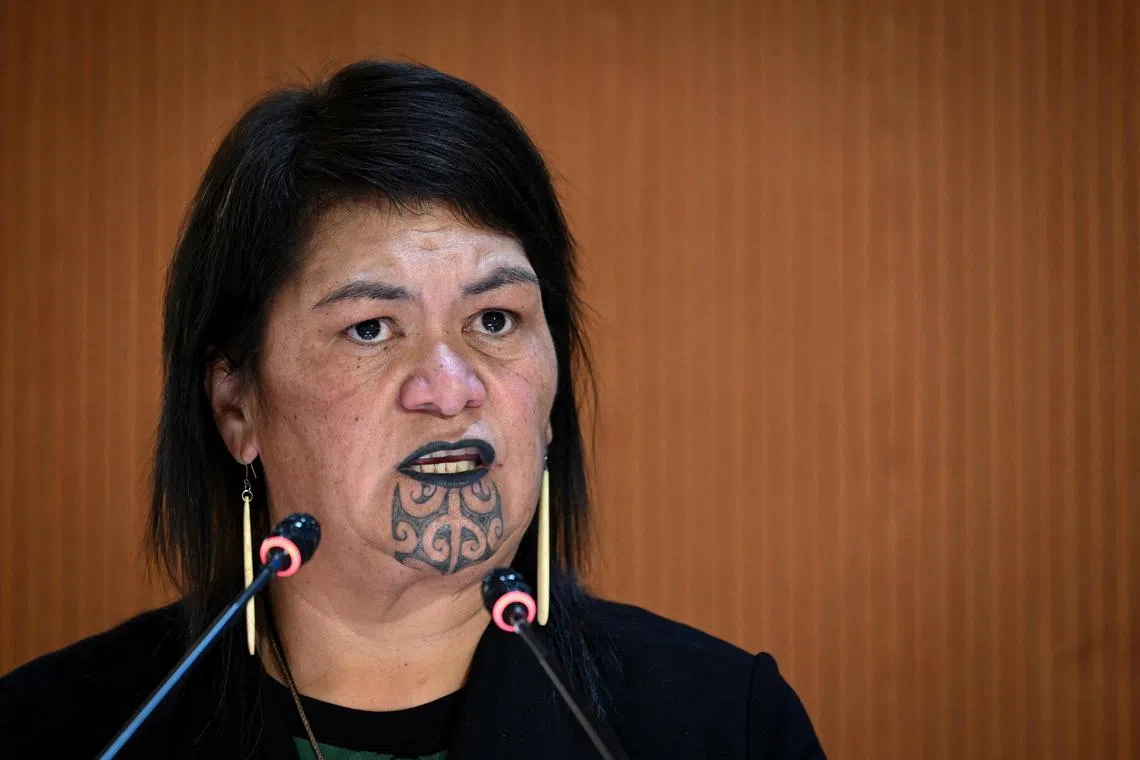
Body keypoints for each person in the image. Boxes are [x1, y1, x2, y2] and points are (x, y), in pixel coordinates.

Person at [0, 60, 825, 759]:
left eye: (494, 320)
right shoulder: (59, 729)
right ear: (235, 405)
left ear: (551, 397)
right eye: (370, 329)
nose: (448, 386)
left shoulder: (725, 725)